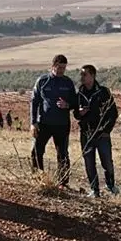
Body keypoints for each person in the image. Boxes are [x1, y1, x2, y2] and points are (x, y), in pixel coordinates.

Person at [30, 54, 78, 189]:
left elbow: (75, 102)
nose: (61, 70)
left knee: (63, 154)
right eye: (59, 67)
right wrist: (33, 123)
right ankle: (38, 178)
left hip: (62, 125)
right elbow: (34, 102)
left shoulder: (68, 83)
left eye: (64, 68)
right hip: (44, 123)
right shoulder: (42, 81)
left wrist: (67, 105)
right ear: (53, 66)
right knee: (36, 151)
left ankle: (63, 182)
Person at [73, 64, 120, 197]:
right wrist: (79, 113)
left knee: (107, 161)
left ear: (92, 76)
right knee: (89, 162)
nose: (82, 77)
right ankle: (94, 190)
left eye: (84, 74)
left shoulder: (103, 92)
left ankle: (111, 186)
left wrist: (106, 130)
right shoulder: (79, 94)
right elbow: (76, 114)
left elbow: (113, 113)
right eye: (81, 74)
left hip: (102, 134)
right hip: (86, 133)